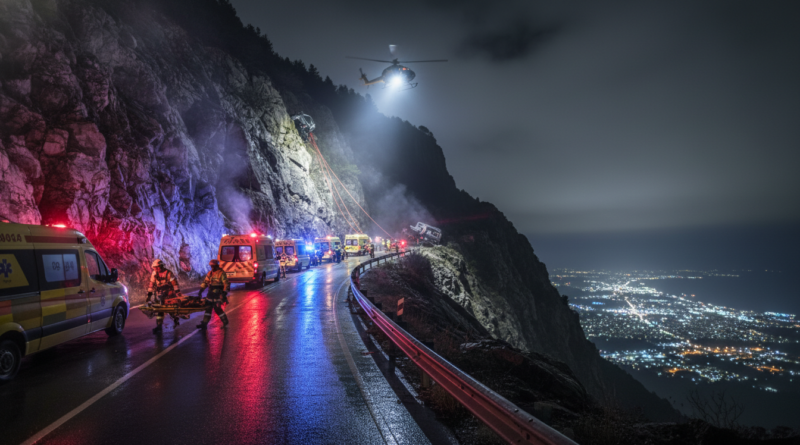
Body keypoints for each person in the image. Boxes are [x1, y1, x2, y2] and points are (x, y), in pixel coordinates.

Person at [146, 259, 182, 334]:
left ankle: (175, 318)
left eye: (157, 267)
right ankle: (159, 327)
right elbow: (151, 284)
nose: (156, 269)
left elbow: (174, 283)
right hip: (160, 295)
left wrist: (177, 293)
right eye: (154, 268)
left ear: (161, 266)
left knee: (170, 310)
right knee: (160, 310)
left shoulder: (168, 273)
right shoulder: (154, 273)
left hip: (169, 294)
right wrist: (149, 295)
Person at [196, 259, 230, 329]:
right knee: (208, 309)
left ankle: (225, 321)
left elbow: (226, 283)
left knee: (217, 309)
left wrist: (224, 293)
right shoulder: (210, 273)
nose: (212, 268)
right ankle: (204, 323)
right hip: (210, 293)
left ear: (217, 266)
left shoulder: (221, 273)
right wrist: (201, 291)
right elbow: (205, 282)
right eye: (211, 266)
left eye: (213, 266)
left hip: (218, 294)